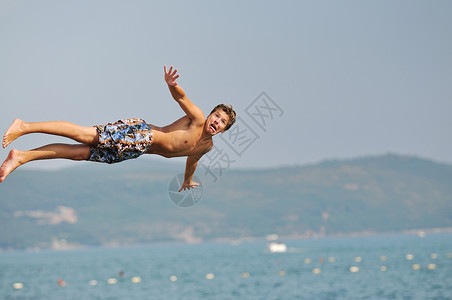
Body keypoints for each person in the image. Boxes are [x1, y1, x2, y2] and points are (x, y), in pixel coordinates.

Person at [0, 66, 236, 190]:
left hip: (136, 150)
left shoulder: (207, 146)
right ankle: (25, 126)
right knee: (84, 134)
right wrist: (172, 85)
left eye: (221, 122)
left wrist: (187, 180)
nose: (215, 121)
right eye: (216, 115)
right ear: (210, 114)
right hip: (138, 134)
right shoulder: (196, 118)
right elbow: (182, 98)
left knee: (80, 153)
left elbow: (192, 159)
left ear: (224, 129)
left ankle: (21, 157)